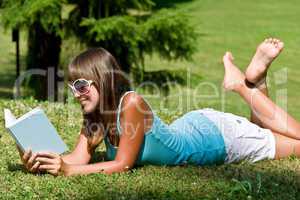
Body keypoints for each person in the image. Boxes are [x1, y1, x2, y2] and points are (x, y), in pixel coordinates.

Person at [17, 38, 300, 176]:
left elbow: (122, 164)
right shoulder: (96, 115)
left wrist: (67, 171)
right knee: (261, 130)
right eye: (72, 87)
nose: (75, 93)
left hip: (222, 139)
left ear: (102, 80)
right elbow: (79, 157)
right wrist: (45, 162)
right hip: (198, 125)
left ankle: (241, 85)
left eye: (81, 85)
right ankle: (256, 79)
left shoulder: (132, 104)